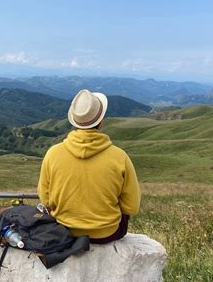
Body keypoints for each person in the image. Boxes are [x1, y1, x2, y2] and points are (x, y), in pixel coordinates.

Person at [37, 89, 140, 244]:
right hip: (107, 234)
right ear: (101, 120)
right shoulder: (120, 157)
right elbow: (131, 207)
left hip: (64, 231)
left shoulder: (53, 153)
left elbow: (46, 199)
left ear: (74, 121)